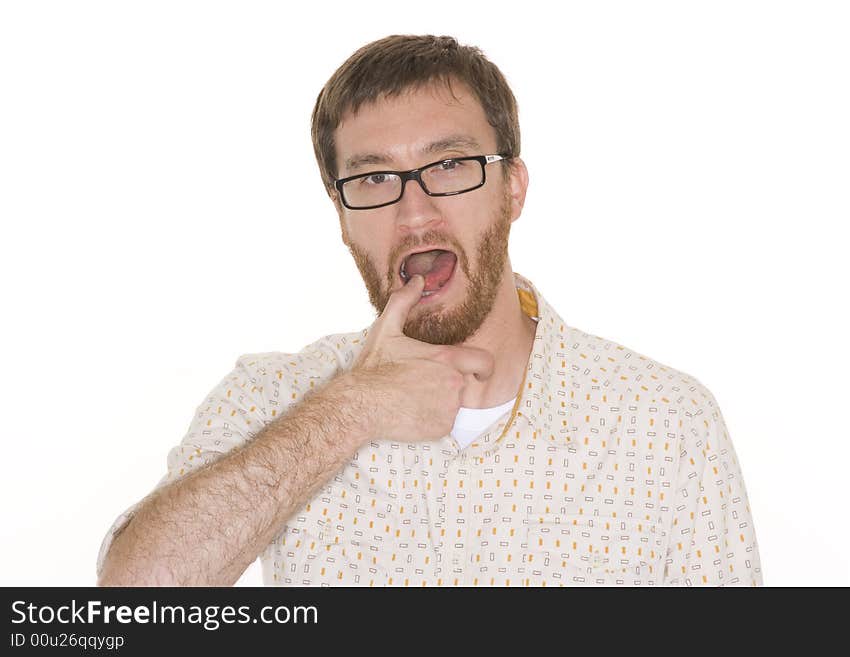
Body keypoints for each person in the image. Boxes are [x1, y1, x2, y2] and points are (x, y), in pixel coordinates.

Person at [96, 34, 763, 587]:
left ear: (513, 187)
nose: (415, 213)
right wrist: (351, 410)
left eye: (449, 165)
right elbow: (132, 600)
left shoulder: (667, 425)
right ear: (341, 214)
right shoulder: (273, 397)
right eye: (374, 178)